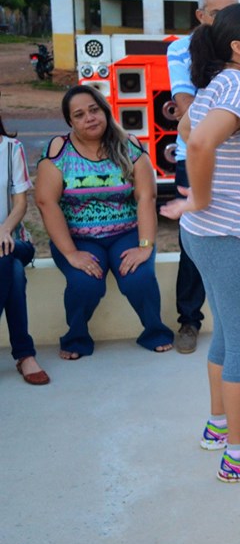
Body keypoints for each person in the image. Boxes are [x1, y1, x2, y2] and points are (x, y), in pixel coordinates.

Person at [159, 3, 240, 482]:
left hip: (207, 235)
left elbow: (186, 128)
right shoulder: (239, 86)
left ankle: (220, 426)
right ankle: (239, 456)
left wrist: (200, 204)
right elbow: (196, 144)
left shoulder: (223, 85)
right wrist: (202, 198)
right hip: (228, 236)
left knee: (228, 337)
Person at [167, 0, 240, 354]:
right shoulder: (225, 76)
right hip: (211, 182)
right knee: (238, 343)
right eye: (219, 13)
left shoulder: (239, 74)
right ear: (202, 17)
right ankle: (189, 321)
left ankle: (220, 414)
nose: (230, 18)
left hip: (232, 177)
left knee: (231, 328)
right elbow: (192, 130)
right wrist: (201, 195)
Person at [35, 85, 174, 359]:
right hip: (78, 238)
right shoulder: (58, 150)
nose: (89, 117)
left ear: (105, 110)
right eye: (79, 114)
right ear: (70, 122)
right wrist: (71, 253)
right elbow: (45, 202)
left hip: (126, 233)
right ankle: (76, 338)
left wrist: (145, 246)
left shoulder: (129, 145)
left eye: (94, 109)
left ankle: (155, 332)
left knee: (139, 278)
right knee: (85, 283)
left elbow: (147, 196)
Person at [0, 111, 48, 385]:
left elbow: (20, 204)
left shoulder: (10, 149)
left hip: (15, 240)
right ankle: (25, 355)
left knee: (8, 255)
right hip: (7, 258)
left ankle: (25, 354)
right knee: (12, 270)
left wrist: (4, 230)